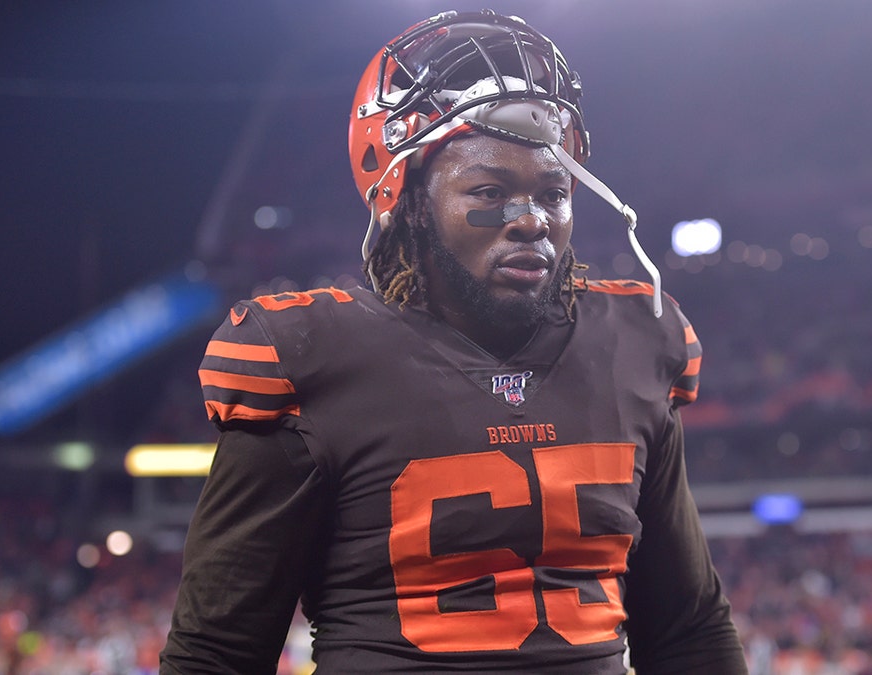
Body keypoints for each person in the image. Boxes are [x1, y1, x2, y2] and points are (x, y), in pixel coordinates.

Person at [161, 9, 747, 674]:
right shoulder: (307, 358)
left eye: (553, 192)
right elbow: (217, 652)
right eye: (491, 191)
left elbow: (688, 628)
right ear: (408, 201)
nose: (531, 221)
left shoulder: (635, 343)